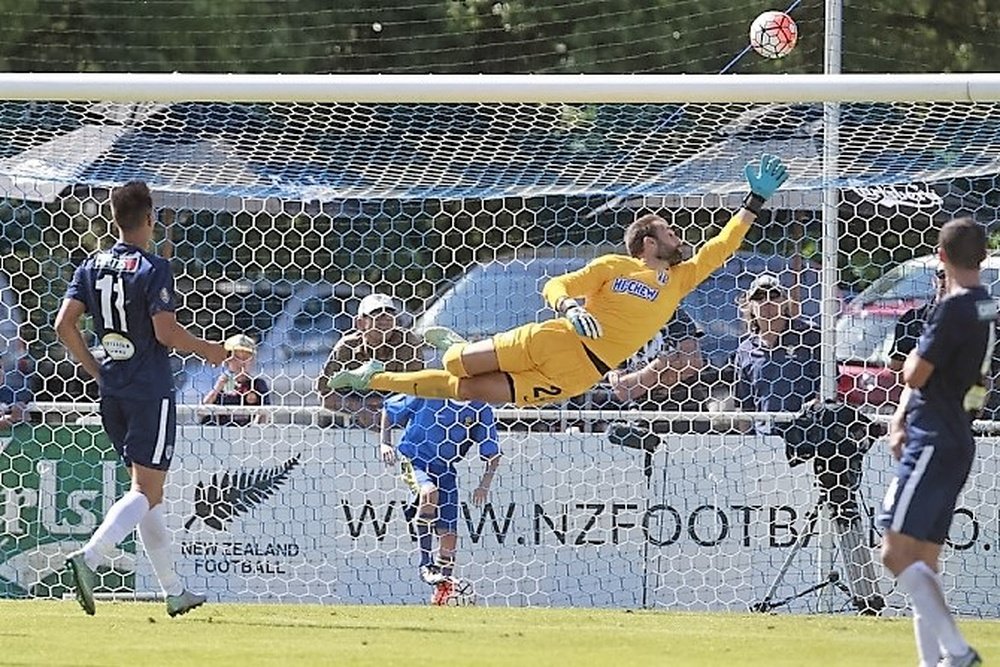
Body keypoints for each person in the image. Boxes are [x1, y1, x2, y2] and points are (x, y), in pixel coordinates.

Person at [326, 153, 789, 406]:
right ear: (647, 242)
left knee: (466, 392)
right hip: (552, 339)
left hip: (580, 374)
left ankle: (374, 380)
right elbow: (556, 286)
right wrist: (569, 307)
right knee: (454, 368)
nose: (678, 235)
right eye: (669, 230)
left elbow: (722, 245)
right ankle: (448, 347)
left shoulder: (681, 279)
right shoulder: (615, 266)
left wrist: (754, 201)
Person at [54, 180, 228, 617]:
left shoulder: (91, 266)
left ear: (115, 219)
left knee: (147, 493)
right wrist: (214, 352)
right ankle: (90, 557)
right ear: (150, 217)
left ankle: (173, 590)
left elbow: (63, 325)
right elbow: (164, 331)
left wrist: (96, 369)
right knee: (147, 492)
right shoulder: (153, 267)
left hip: (112, 392)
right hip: (150, 390)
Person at [733, 274, 884, 614]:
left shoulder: (810, 338)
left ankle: (852, 587)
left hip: (810, 445)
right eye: (761, 296)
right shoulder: (744, 350)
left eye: (774, 294)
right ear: (750, 306)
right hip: (764, 448)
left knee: (826, 515)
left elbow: (828, 390)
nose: (768, 301)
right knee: (763, 526)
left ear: (786, 301)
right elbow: (744, 405)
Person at [879, 218, 993, 667]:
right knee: (924, 560)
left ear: (940, 257)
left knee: (893, 551)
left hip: (933, 436)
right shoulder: (986, 306)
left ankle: (959, 652)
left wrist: (908, 395)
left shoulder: (953, 308)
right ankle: (934, 663)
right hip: (957, 435)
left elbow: (914, 374)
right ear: (983, 257)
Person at [379, 394, 500, 605]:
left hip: (445, 468)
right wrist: (384, 444)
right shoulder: (430, 392)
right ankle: (426, 564)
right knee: (429, 493)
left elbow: (493, 454)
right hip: (414, 458)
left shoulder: (480, 408)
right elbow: (389, 409)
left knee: (450, 536)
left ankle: (443, 590)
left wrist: (484, 484)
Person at [317, 292, 426, 429]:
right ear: (360, 323)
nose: (385, 319)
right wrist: (360, 408)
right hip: (354, 420)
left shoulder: (408, 343)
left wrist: (384, 406)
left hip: (399, 417)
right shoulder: (347, 347)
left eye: (390, 314)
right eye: (377, 314)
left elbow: (418, 390)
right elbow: (325, 395)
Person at [201, 334, 271, 426]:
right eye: (236, 358)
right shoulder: (216, 380)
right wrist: (217, 388)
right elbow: (202, 410)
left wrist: (255, 425)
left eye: (246, 358)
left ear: (252, 361)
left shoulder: (258, 384)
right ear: (227, 359)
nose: (241, 363)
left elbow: (266, 412)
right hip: (220, 431)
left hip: (248, 432)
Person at [888, 265, 948, 372]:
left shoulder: (974, 321)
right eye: (943, 275)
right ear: (934, 280)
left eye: (954, 276)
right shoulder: (911, 321)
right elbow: (896, 368)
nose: (948, 280)